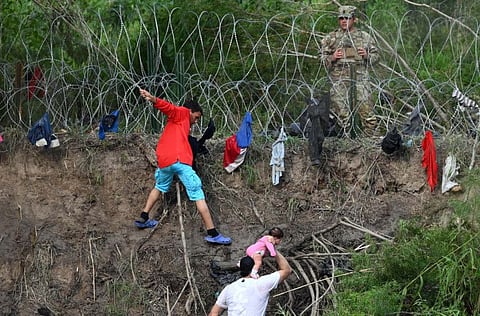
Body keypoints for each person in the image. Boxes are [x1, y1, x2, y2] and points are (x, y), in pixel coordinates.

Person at [134, 88, 232, 245]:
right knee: (197, 193)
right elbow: (170, 108)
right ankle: (212, 233)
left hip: (165, 162)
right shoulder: (183, 113)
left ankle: (144, 217)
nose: (196, 121)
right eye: (197, 117)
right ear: (191, 111)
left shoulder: (179, 124)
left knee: (158, 187)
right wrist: (153, 99)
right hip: (179, 161)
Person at [321, 5, 379, 137]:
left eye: (347, 18)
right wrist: (332, 57)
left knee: (366, 110)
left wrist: (366, 55)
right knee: (341, 113)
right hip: (339, 79)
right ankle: (346, 139)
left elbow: (376, 57)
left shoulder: (364, 37)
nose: (343, 21)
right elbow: (322, 60)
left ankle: (370, 140)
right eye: (341, 18)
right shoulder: (331, 38)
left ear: (354, 19)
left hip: (360, 78)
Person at [208, 251, 292, 316]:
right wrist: (274, 250)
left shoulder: (229, 288)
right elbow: (286, 270)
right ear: (254, 268)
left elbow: (214, 313)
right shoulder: (261, 284)